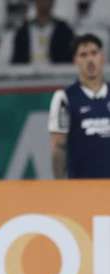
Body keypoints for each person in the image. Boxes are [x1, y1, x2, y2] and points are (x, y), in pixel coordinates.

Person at [49, 33, 110, 178]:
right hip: (82, 189)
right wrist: (59, 185)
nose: (90, 59)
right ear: (75, 61)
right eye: (83, 55)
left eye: (94, 53)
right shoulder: (64, 98)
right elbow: (58, 147)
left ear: (102, 57)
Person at [11, 0, 73, 65]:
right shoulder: (22, 31)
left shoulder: (64, 30)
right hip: (27, 73)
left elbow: (69, 59)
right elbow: (16, 61)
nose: (44, 2)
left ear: (53, 2)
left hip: (57, 73)